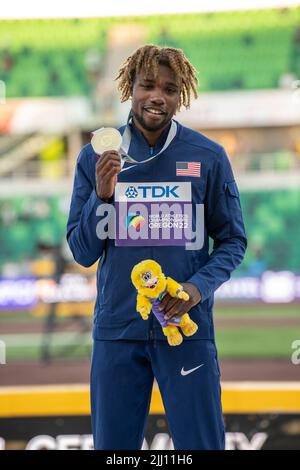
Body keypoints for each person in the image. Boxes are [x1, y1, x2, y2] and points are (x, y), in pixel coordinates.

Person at [66, 44, 247, 450]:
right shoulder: (96, 157)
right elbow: (82, 252)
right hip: (117, 331)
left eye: (169, 88)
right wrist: (102, 196)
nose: (157, 96)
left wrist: (196, 289)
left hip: (186, 330)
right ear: (129, 87)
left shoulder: (208, 157)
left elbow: (233, 239)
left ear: (181, 96)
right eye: (147, 85)